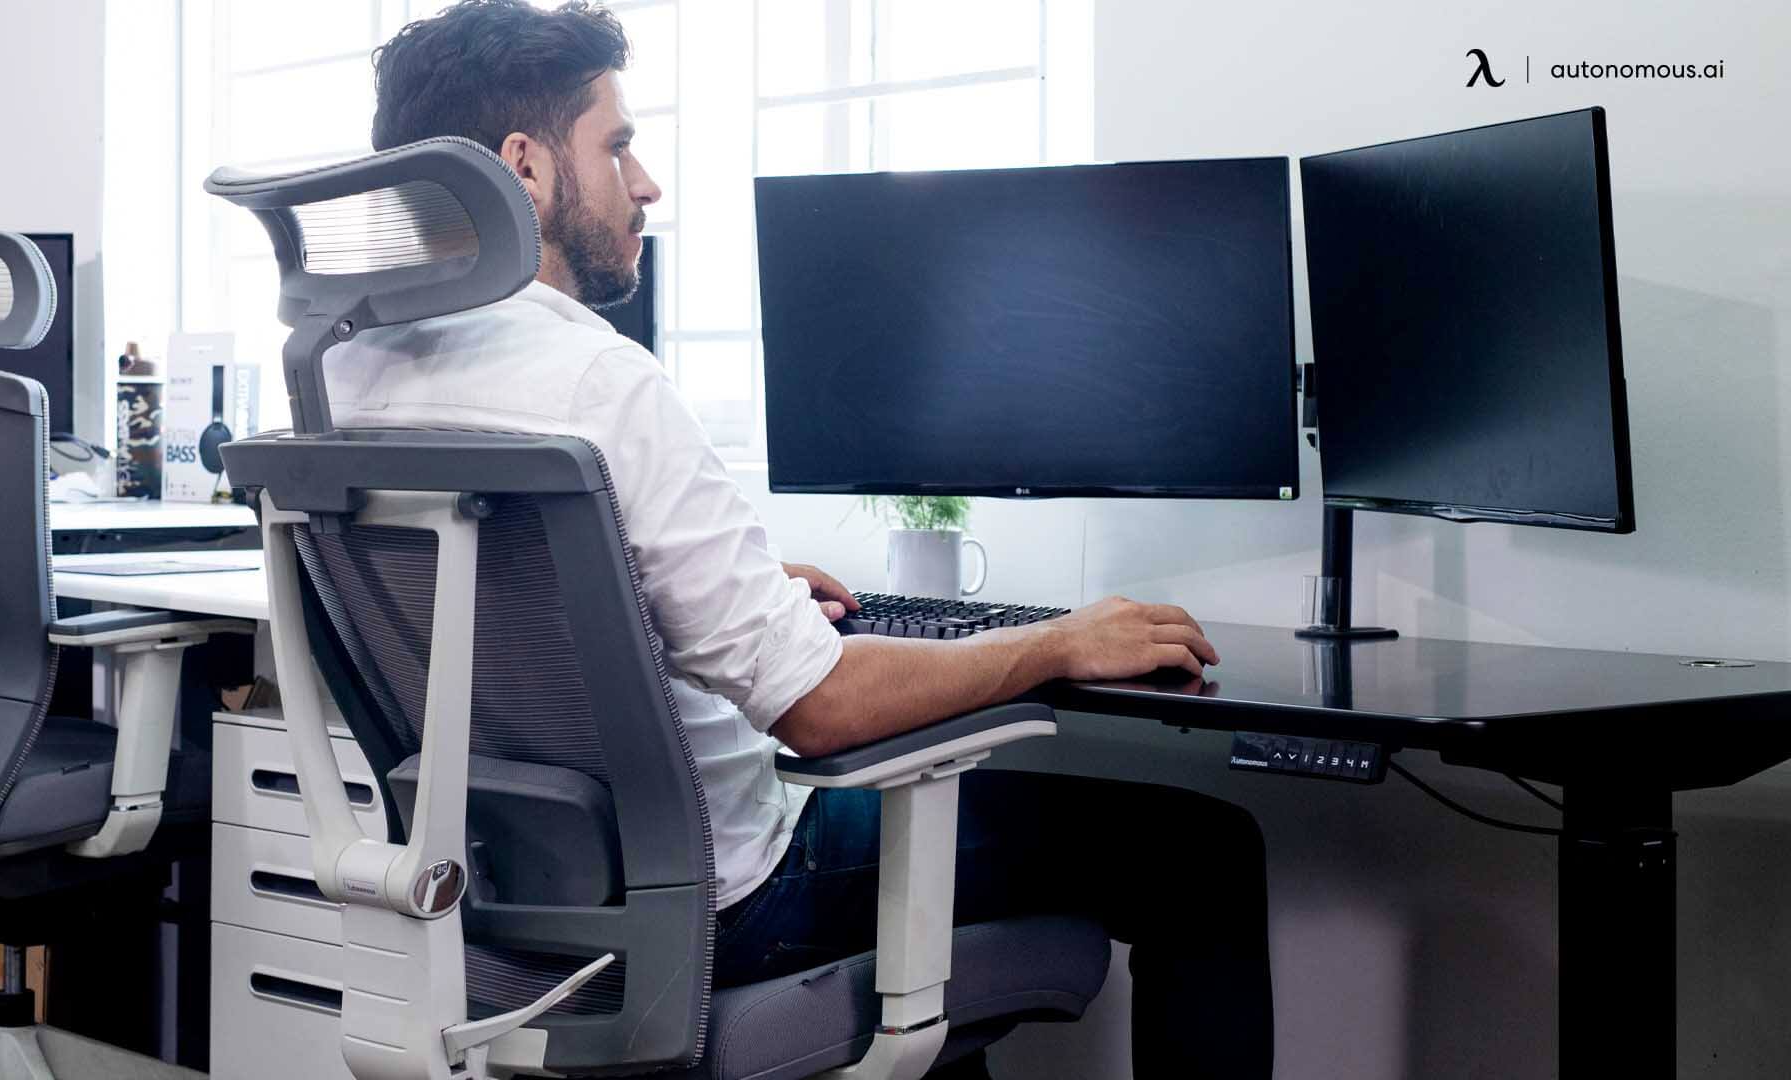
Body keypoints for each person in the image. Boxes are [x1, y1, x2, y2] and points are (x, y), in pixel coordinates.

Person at [337, 3, 1273, 1075]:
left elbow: (487, 593)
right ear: (527, 167)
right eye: (619, 144)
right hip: (733, 901)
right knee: (1202, 852)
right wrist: (1060, 642)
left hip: (510, 895)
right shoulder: (602, 381)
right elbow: (824, 712)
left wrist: (668, 585)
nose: (645, 185)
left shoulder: (349, 372)